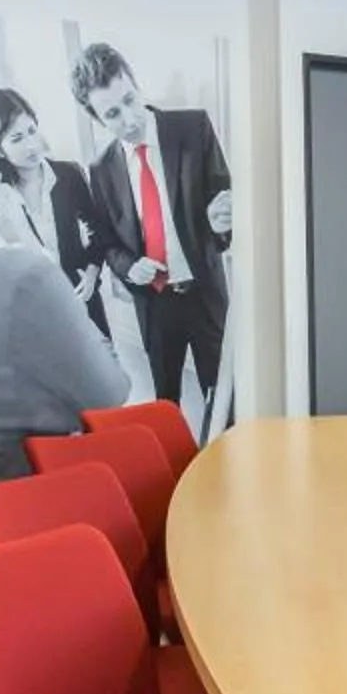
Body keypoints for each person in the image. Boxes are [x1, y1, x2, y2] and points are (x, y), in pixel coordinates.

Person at [74, 42, 233, 418]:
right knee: (165, 406)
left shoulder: (193, 128)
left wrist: (222, 220)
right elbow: (108, 242)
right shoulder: (100, 169)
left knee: (225, 398)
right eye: (112, 113)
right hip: (155, 305)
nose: (129, 119)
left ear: (136, 84)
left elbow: (224, 197)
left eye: (130, 100)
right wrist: (129, 266)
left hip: (205, 293)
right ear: (96, 118)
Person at [0, 87, 107, 335]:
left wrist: (92, 274)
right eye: (16, 139)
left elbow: (100, 232)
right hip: (33, 314)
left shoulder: (69, 175)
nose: (31, 145)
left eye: (31, 131)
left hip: (82, 301)